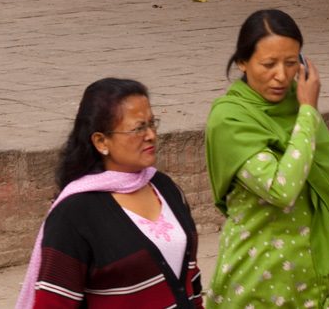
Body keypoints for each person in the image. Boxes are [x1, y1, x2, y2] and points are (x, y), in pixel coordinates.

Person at [204, 9, 329, 309]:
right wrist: (308, 114)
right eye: (268, 64)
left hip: (319, 273)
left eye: (291, 63)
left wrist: (303, 111)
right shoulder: (230, 118)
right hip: (259, 276)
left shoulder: (296, 104)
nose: (281, 75)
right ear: (242, 62)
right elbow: (281, 188)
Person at [16, 78, 203, 309]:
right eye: (138, 128)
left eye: (152, 124)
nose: (151, 135)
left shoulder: (164, 187)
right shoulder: (75, 215)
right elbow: (54, 302)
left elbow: (191, 281)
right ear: (101, 141)